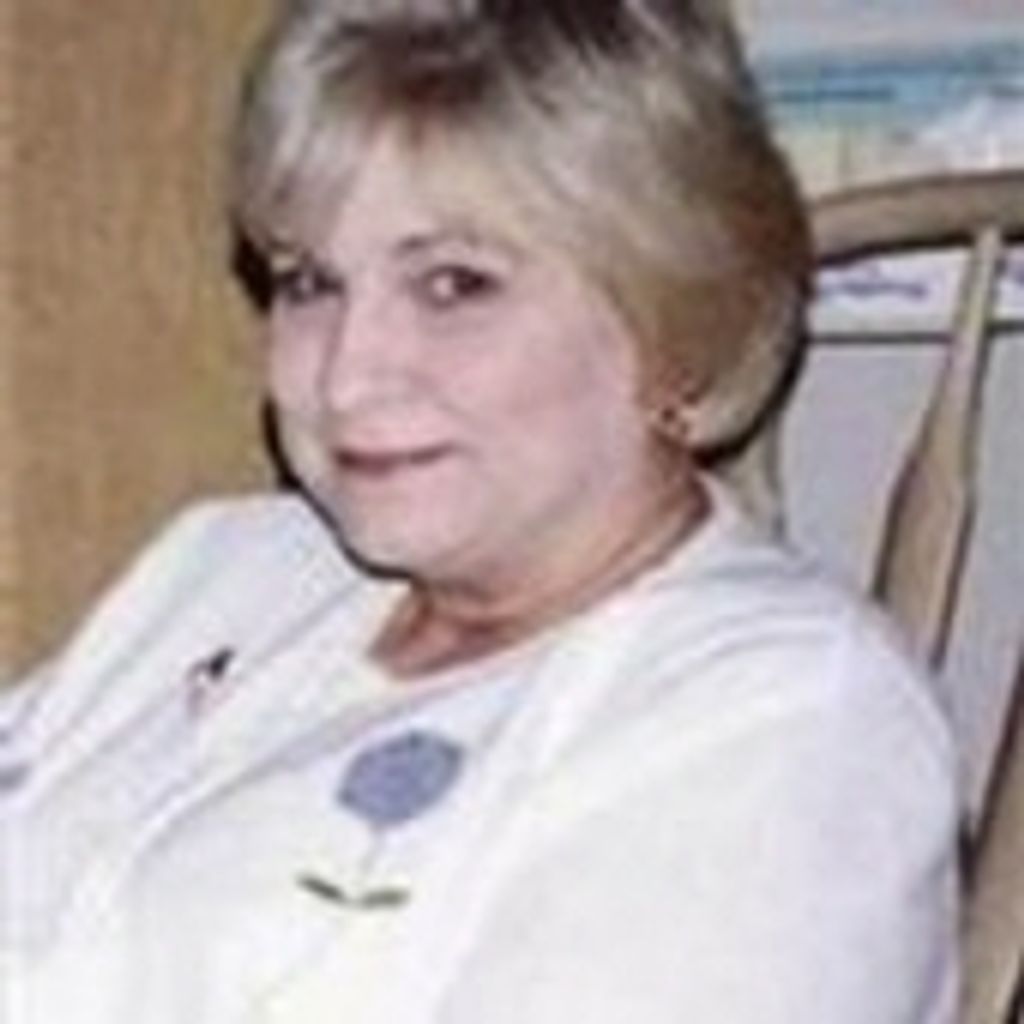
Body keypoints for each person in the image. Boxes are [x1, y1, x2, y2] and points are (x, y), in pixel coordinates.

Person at [0, 1, 959, 1021]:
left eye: (455, 284)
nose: (349, 376)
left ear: (673, 314)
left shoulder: (789, 716)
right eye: (310, 282)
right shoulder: (229, 565)